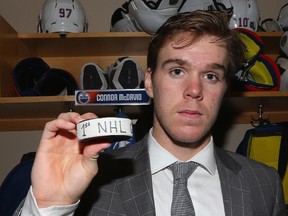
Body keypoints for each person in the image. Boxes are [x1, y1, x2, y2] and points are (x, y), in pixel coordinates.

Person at [15, 10, 286, 216]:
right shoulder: (92, 180)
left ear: (225, 89)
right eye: (177, 71)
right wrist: (50, 205)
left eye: (211, 76)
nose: (194, 90)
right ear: (149, 82)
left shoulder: (264, 184)